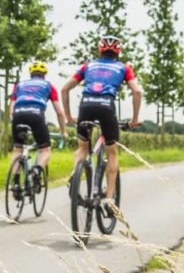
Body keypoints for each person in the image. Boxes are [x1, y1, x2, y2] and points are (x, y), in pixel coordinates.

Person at [61, 34, 143, 210]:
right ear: (118, 52)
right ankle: (109, 200)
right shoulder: (124, 68)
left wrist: (68, 117)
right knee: (112, 152)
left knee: (83, 148)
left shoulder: (88, 65)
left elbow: (65, 88)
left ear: (100, 50)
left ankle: (75, 176)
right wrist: (135, 119)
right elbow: (137, 92)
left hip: (86, 106)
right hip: (107, 107)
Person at [6, 61, 68, 183]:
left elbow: (11, 109)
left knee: (18, 149)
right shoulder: (49, 86)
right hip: (36, 115)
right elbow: (59, 112)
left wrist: (16, 121)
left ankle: (16, 183)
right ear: (44, 75)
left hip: (18, 115)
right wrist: (63, 131)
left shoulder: (19, 85)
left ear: (31, 74)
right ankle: (37, 170)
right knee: (45, 149)